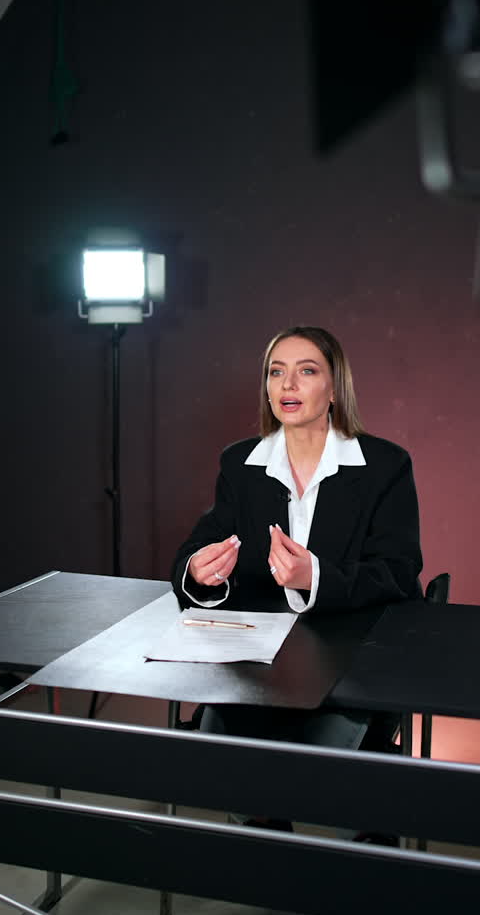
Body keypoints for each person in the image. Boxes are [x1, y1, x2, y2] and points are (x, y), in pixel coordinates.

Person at [170, 325, 422, 763]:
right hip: (259, 663)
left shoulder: (386, 465)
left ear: (334, 389)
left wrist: (315, 577)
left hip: (353, 655)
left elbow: (399, 571)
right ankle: (263, 825)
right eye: (276, 372)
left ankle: (343, 827)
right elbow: (197, 548)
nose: (287, 384)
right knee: (227, 755)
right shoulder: (240, 464)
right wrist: (198, 570)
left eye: (306, 371)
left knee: (319, 762)